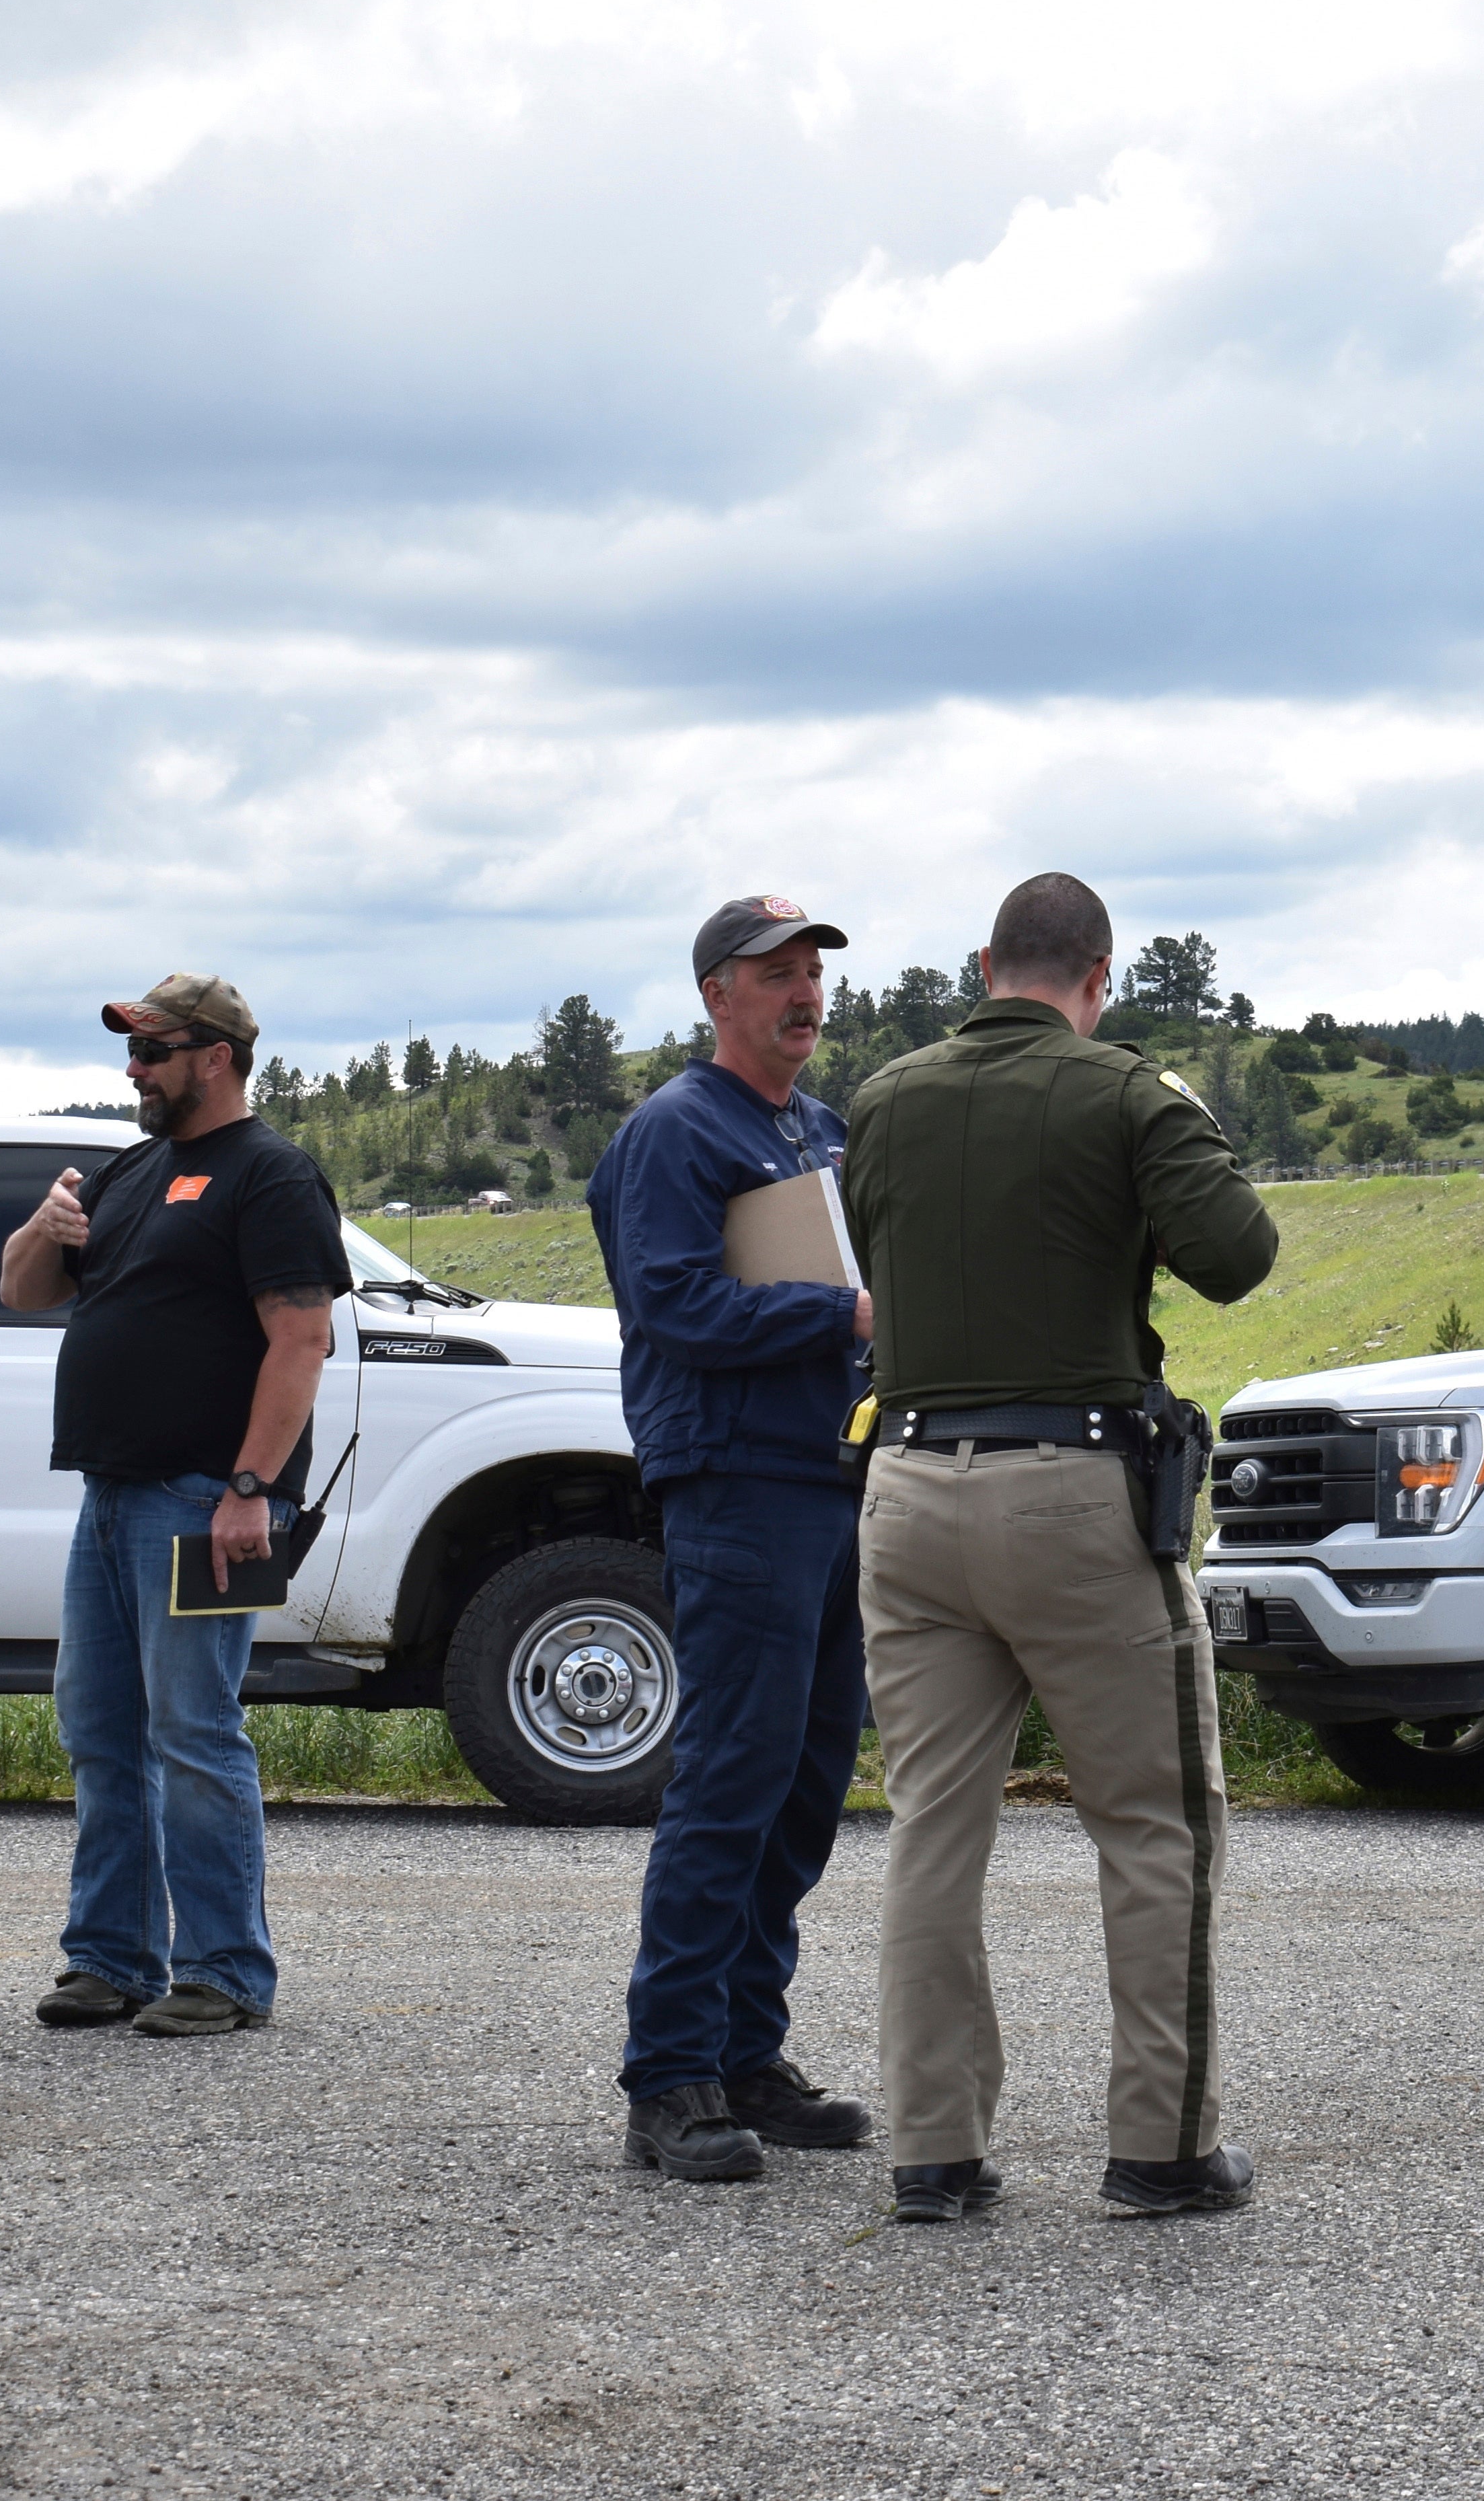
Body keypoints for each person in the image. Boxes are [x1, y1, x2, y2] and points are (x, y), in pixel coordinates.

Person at [838, 872, 1280, 2218]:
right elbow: (1239, 1256)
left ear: (987, 965)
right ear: (1100, 975)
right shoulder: (1127, 1092)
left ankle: (936, 2149)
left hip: (906, 1488)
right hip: (1073, 1488)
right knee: (1155, 1825)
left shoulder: (883, 1100)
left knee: (933, 1827)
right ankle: (1162, 2145)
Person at [587, 896, 880, 2183]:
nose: (802, 991)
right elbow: (675, 1305)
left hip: (834, 1479)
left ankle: (748, 2050)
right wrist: (844, 1312)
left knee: (808, 1784)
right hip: (739, 1485)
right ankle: (671, 2077)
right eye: (776, 973)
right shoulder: (675, 1131)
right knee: (730, 1777)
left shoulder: (818, 1128)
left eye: (814, 971)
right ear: (717, 994)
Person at [0, 972, 347, 2040]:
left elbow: (301, 1339)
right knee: (102, 1731)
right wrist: (43, 1228)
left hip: (203, 1504)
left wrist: (251, 1488)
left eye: (156, 1051)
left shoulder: (273, 1176)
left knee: (194, 1731)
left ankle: (225, 1970)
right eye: (133, 1052)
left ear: (219, 1056)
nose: (136, 1070)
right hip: (110, 1499)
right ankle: (110, 1961)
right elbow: (25, 1293)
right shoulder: (131, 1172)